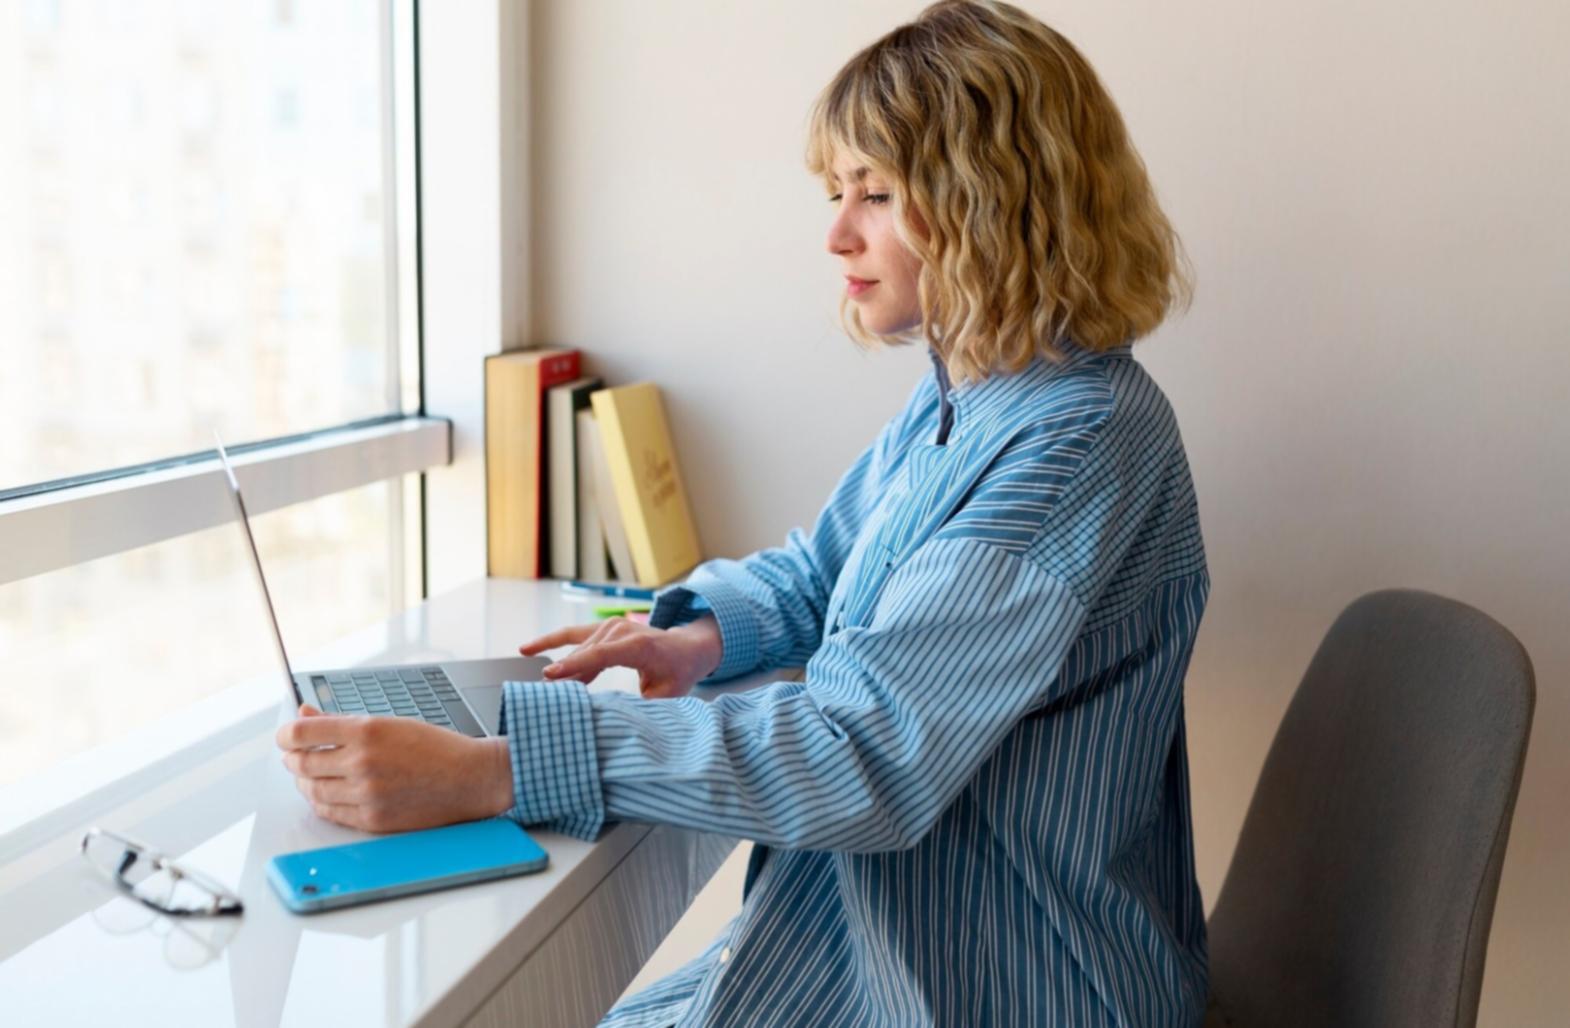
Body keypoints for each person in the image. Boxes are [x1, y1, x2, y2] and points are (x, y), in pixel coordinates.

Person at [277, 1, 1209, 1023]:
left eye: (876, 193)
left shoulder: (1073, 442)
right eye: (837, 192)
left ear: (994, 199)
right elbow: (822, 571)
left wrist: (502, 767)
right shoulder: (975, 394)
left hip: (982, 987)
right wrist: (697, 635)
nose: (836, 232)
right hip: (852, 947)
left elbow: (867, 751)